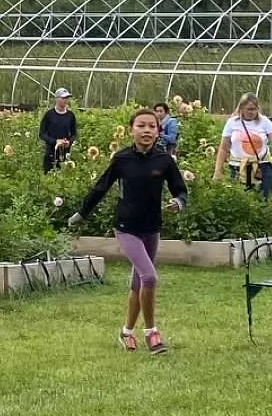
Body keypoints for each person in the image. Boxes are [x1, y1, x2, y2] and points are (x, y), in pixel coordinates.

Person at [74, 107, 187, 354]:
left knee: (138, 283)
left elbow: (180, 189)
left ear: (158, 132)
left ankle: (126, 332)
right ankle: (151, 333)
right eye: (141, 126)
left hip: (152, 228)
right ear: (131, 130)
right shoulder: (122, 159)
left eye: (152, 126)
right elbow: (100, 187)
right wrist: (82, 213)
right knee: (149, 277)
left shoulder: (164, 160)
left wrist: (178, 202)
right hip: (126, 228)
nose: (146, 130)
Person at [221, 94, 272, 199]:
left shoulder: (264, 121)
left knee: (263, 198)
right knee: (240, 199)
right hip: (238, 166)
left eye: (254, 109)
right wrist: (218, 171)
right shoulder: (232, 123)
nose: (252, 112)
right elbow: (223, 147)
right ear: (241, 108)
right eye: (249, 109)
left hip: (261, 166)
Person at [40, 88, 78, 172]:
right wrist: (55, 141)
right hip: (51, 153)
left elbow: (74, 134)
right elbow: (42, 134)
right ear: (57, 99)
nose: (66, 100)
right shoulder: (49, 115)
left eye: (67, 98)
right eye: (63, 98)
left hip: (66, 154)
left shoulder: (70, 116)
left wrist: (69, 142)